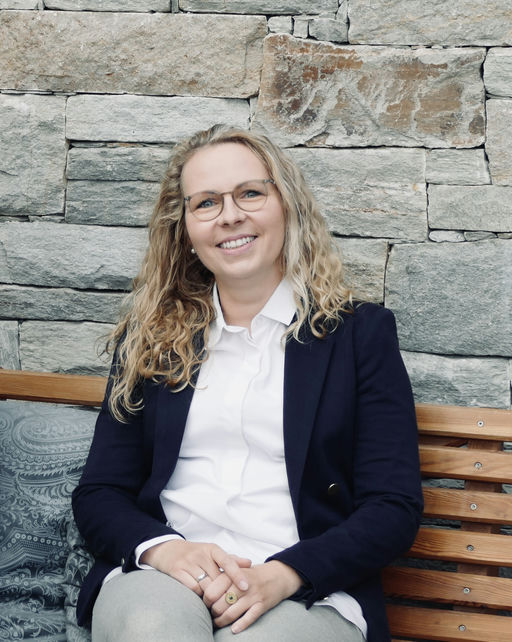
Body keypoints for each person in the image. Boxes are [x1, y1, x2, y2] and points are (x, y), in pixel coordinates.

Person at [72, 124, 423, 642]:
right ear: (185, 230)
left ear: (287, 206)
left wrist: (284, 574)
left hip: (307, 590)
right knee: (152, 627)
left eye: (250, 193)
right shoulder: (151, 340)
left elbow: (393, 506)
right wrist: (166, 550)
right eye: (206, 202)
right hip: (165, 577)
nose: (230, 215)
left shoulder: (358, 336)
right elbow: (100, 492)